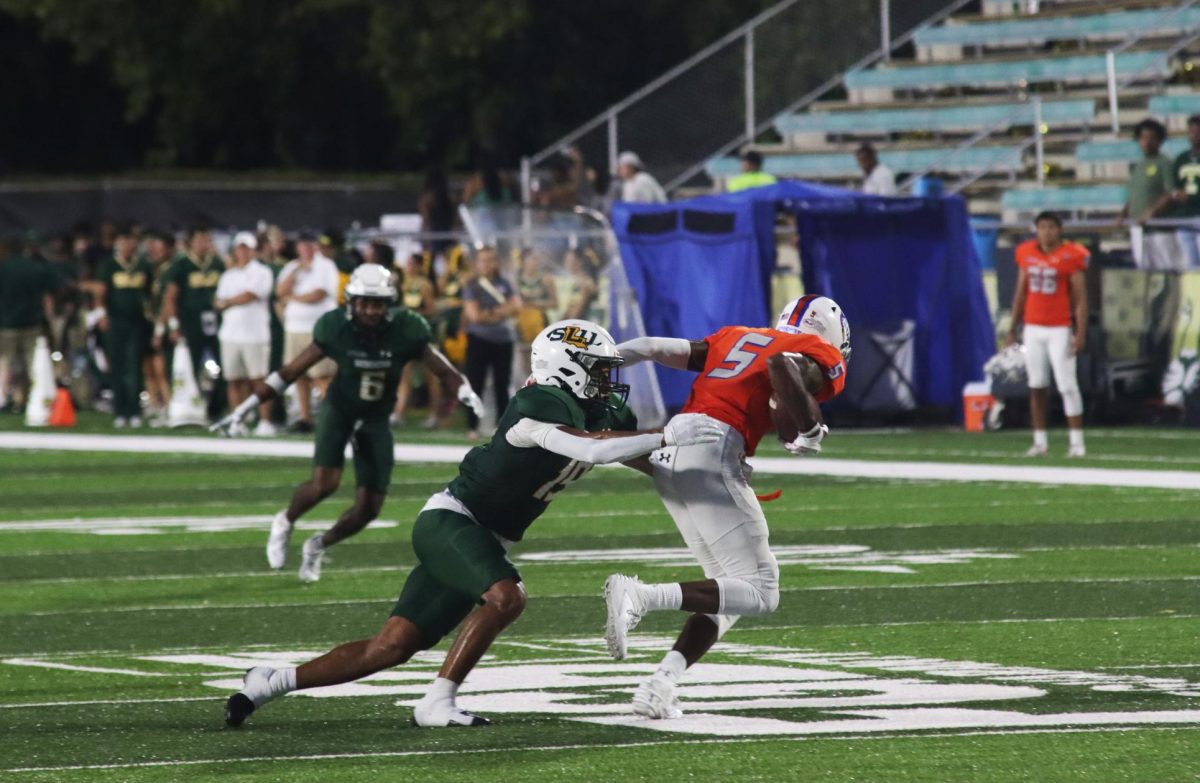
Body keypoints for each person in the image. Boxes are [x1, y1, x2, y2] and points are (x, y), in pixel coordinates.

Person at [221, 319, 723, 728]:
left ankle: (272, 680)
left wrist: (710, 473)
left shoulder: (602, 406)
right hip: (452, 521)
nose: (607, 380)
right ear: (564, 369)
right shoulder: (538, 403)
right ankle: (437, 701)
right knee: (508, 597)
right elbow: (593, 448)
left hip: (481, 536)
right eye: (596, 369)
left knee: (390, 647)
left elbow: (637, 457)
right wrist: (664, 433)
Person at [602, 295, 851, 719]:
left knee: (728, 588)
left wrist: (600, 361)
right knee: (762, 590)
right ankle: (641, 595)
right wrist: (809, 429)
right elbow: (780, 368)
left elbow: (647, 346)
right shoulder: (817, 353)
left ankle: (661, 684)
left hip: (674, 445)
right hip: (711, 447)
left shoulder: (739, 336)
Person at [213, 263, 485, 582]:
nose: (370, 310)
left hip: (375, 418)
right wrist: (247, 406)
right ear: (351, 302)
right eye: (364, 303)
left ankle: (318, 544)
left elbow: (443, 370)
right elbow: (290, 372)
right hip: (340, 410)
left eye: (377, 303)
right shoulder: (335, 328)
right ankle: (285, 520)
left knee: (369, 508)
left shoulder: (407, 328)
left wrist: (464, 390)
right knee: (324, 484)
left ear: (389, 304)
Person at [1006, 211, 1089, 458]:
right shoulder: (1025, 253)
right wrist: (1012, 328)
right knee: (1036, 385)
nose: (1046, 232)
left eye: (1051, 227)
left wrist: (1080, 332)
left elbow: (1081, 300)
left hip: (1059, 327)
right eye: (1042, 227)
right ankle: (1040, 442)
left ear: (1059, 229)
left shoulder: (1072, 255)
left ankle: (1077, 443)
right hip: (1033, 327)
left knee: (1067, 385)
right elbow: (1020, 293)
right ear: (1036, 229)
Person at [89, 225, 153, 427]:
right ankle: (120, 410)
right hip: (115, 322)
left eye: (130, 241)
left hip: (137, 322)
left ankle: (134, 410)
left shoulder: (143, 265)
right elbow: (100, 292)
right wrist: (101, 315)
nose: (127, 245)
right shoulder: (108, 265)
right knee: (117, 366)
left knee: (134, 366)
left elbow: (150, 293)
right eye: (123, 241)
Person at [276, 232, 340, 432]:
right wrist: (296, 274)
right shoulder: (292, 267)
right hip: (294, 328)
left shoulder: (326, 266)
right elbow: (279, 292)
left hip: (317, 328)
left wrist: (293, 298)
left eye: (310, 244)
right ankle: (305, 418)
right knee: (299, 375)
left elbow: (318, 294)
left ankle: (333, 417)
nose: (307, 248)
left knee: (322, 375)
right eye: (303, 244)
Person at [214, 232, 276, 437]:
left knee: (259, 380)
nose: (242, 252)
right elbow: (217, 302)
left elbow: (250, 295)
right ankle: (238, 421)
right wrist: (229, 301)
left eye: (246, 248)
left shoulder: (262, 272)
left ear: (253, 250)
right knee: (234, 380)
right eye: (239, 248)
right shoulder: (228, 275)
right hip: (230, 334)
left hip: (255, 335)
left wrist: (228, 301)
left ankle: (265, 421)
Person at [162, 227, 225, 415]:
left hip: (217, 321)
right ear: (191, 242)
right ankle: (192, 405)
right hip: (190, 321)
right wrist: (173, 325)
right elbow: (171, 297)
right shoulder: (181, 264)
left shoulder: (217, 262)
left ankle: (216, 408)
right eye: (200, 239)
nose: (204, 243)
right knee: (191, 365)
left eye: (206, 239)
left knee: (223, 365)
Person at [462, 246, 520, 440]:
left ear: (496, 262)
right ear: (477, 263)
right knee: (475, 382)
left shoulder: (505, 283)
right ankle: (473, 426)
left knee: (502, 384)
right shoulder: (472, 285)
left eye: (490, 260)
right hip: (479, 339)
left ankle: (500, 425)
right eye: (483, 260)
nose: (487, 264)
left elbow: (516, 306)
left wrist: (491, 313)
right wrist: (501, 312)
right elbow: (475, 316)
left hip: (504, 340)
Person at [0, 238, 56, 411]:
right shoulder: (35, 268)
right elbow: (47, 297)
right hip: (32, 321)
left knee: (5, 362)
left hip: (7, 322)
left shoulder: (3, 268)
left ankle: (2, 398)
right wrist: (50, 319)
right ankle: (35, 399)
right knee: (34, 362)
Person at [1118, 118, 1179, 271]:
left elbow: (1170, 193)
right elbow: (1133, 194)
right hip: (1138, 228)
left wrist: (1151, 213)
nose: (1147, 142)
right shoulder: (1138, 165)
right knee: (1143, 268)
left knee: (1166, 268)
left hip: (1160, 228)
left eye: (1152, 138)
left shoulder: (1164, 163)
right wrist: (1123, 214)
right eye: (1143, 137)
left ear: (1159, 140)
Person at [394, 252, 443, 427]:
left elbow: (432, 309)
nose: (408, 267)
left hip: (423, 334)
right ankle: (399, 413)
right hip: (406, 334)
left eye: (411, 264)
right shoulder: (403, 283)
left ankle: (435, 415)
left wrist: (412, 315)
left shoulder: (424, 284)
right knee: (404, 373)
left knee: (430, 375)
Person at [1163, 114, 1200, 270]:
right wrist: (1176, 194)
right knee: (1190, 265)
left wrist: (1191, 196)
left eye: (1198, 131)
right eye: (1191, 131)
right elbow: (1174, 186)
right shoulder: (1181, 159)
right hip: (1184, 216)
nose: (1194, 135)